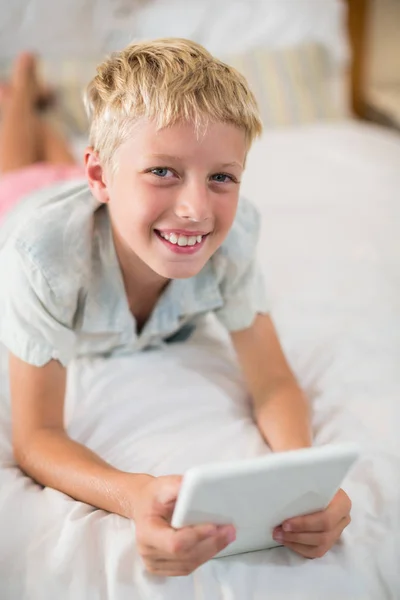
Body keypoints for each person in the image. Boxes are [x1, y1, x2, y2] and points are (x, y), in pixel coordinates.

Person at [0, 41, 351, 577]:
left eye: (221, 177)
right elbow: (36, 435)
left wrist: (304, 479)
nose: (195, 211)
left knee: (57, 160)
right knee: (19, 167)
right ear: (103, 180)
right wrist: (132, 493)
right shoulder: (41, 255)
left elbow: (274, 382)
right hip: (25, 203)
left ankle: (42, 106)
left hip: (93, 197)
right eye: (163, 170)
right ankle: (21, 85)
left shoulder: (232, 240)